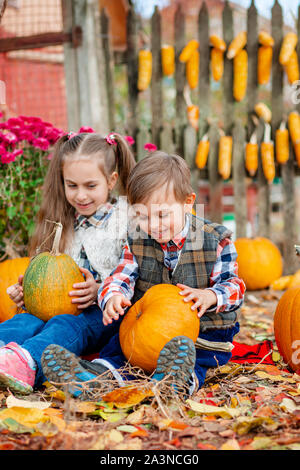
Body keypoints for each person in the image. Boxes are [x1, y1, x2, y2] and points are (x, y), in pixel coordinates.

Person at [42, 151, 246, 397]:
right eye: (143, 216)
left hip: (203, 333)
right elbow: (121, 275)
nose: (153, 225)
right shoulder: (137, 239)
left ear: (188, 202)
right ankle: (95, 377)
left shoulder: (216, 240)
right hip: (148, 329)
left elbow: (234, 286)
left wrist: (211, 296)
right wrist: (113, 296)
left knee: (194, 358)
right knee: (119, 348)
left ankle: (177, 382)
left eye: (162, 215)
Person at [0, 131, 136, 395]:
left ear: (111, 181)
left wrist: (100, 289)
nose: (81, 195)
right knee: (27, 320)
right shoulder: (62, 223)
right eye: (72, 185)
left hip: (105, 316)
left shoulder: (125, 220)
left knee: (65, 325)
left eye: (90, 186)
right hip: (60, 310)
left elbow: (137, 272)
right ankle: (5, 355)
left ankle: (28, 363)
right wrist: (30, 294)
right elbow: (51, 281)